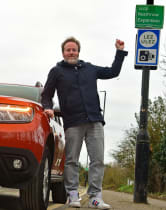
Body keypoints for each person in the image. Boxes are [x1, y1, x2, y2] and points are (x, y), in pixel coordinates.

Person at [41, 37, 127, 209]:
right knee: (71, 160)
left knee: (98, 160)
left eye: (74, 49)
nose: (71, 52)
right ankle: (72, 195)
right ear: (63, 52)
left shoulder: (89, 68)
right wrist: (48, 107)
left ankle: (95, 197)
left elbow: (112, 72)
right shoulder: (56, 72)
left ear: (78, 52)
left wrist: (119, 53)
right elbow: (46, 94)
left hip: (94, 120)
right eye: (68, 50)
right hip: (73, 122)